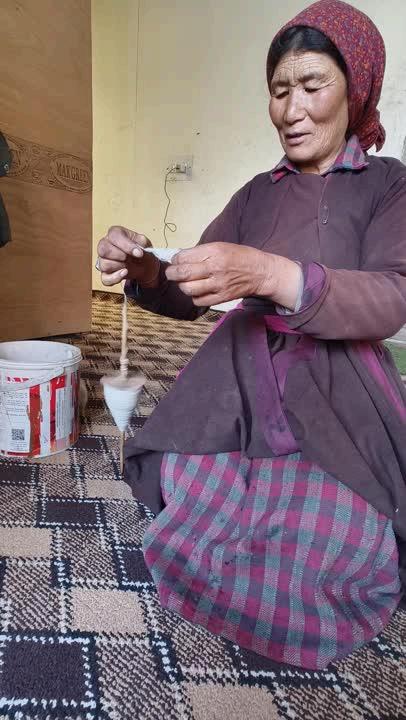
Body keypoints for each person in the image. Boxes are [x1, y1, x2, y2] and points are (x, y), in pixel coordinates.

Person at [96, 0, 406, 670]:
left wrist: (271, 272)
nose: (292, 110)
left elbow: (391, 298)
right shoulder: (256, 193)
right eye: (278, 90)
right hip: (238, 379)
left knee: (333, 536)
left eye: (312, 86)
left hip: (339, 389)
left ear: (356, 90)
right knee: (199, 496)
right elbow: (187, 287)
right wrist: (145, 267)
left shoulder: (389, 185)